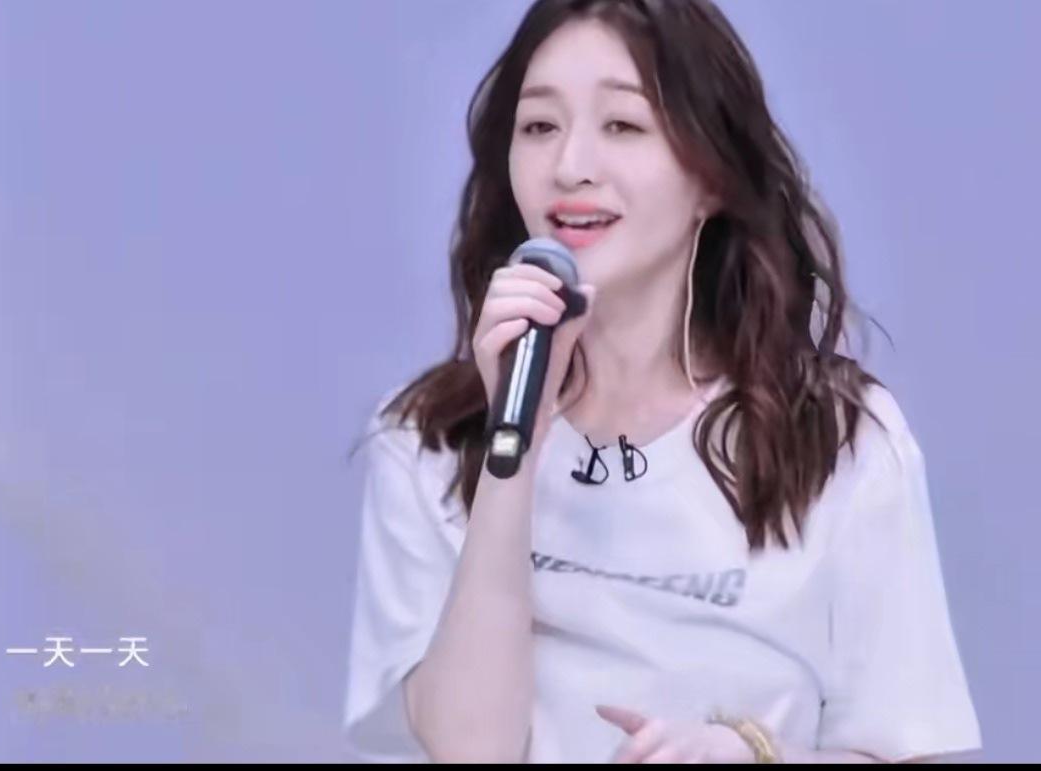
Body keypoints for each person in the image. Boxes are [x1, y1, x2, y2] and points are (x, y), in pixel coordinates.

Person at [343, 0, 981, 763]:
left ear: (710, 174)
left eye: (622, 125)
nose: (571, 166)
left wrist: (752, 755)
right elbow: (470, 748)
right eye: (539, 126)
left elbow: (902, 749)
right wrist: (517, 446)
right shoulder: (428, 439)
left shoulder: (837, 438)